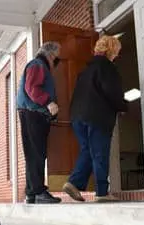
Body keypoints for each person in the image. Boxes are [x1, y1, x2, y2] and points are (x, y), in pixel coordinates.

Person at [62, 35, 128, 203]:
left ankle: (74, 182)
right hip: (97, 116)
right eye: (117, 51)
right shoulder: (107, 67)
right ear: (111, 50)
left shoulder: (86, 69)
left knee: (87, 150)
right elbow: (112, 91)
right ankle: (101, 192)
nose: (117, 55)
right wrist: (123, 106)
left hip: (78, 116)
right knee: (99, 152)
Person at [17, 41, 62, 204]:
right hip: (34, 113)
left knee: (32, 154)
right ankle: (38, 192)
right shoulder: (37, 65)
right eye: (57, 56)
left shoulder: (37, 65)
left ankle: (31, 192)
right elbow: (32, 88)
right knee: (37, 153)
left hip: (30, 113)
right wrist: (48, 102)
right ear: (50, 54)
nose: (57, 60)